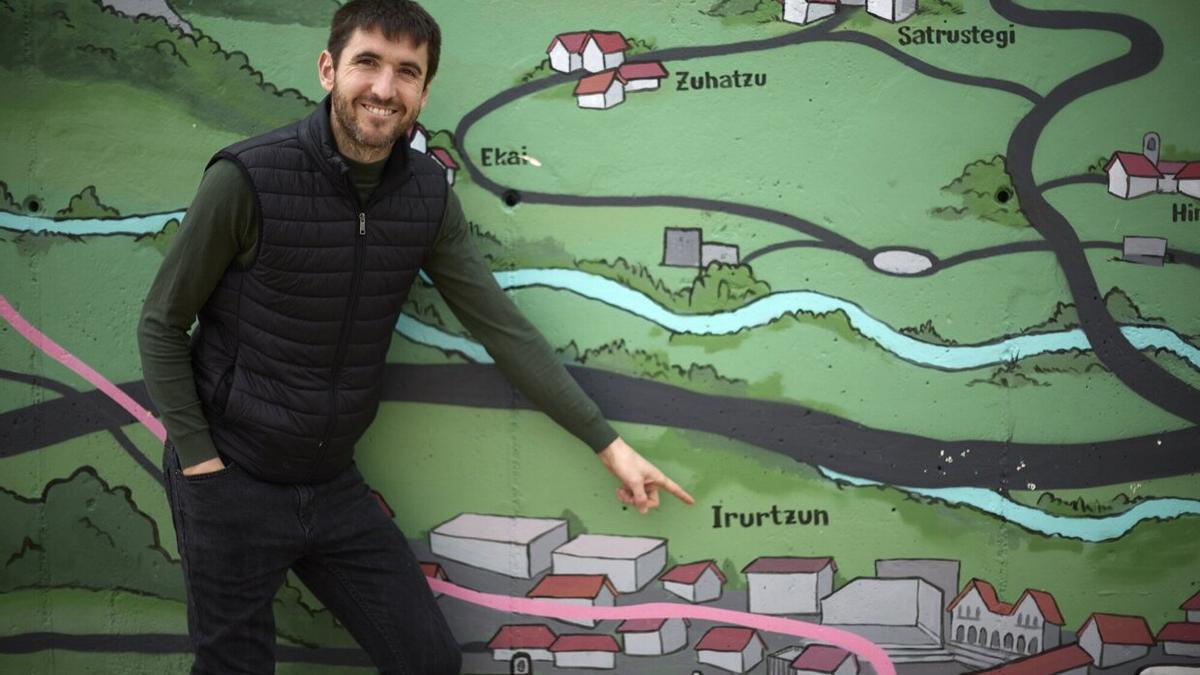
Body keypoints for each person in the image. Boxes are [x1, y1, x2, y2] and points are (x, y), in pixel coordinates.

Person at [137, 0, 693, 672]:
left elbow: (503, 328)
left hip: (331, 481)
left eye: (407, 72)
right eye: (366, 62)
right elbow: (161, 324)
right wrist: (201, 464)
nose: (383, 88)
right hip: (232, 475)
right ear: (327, 69)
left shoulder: (427, 195)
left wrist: (609, 445)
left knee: (429, 660)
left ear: (423, 92)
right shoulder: (248, 177)